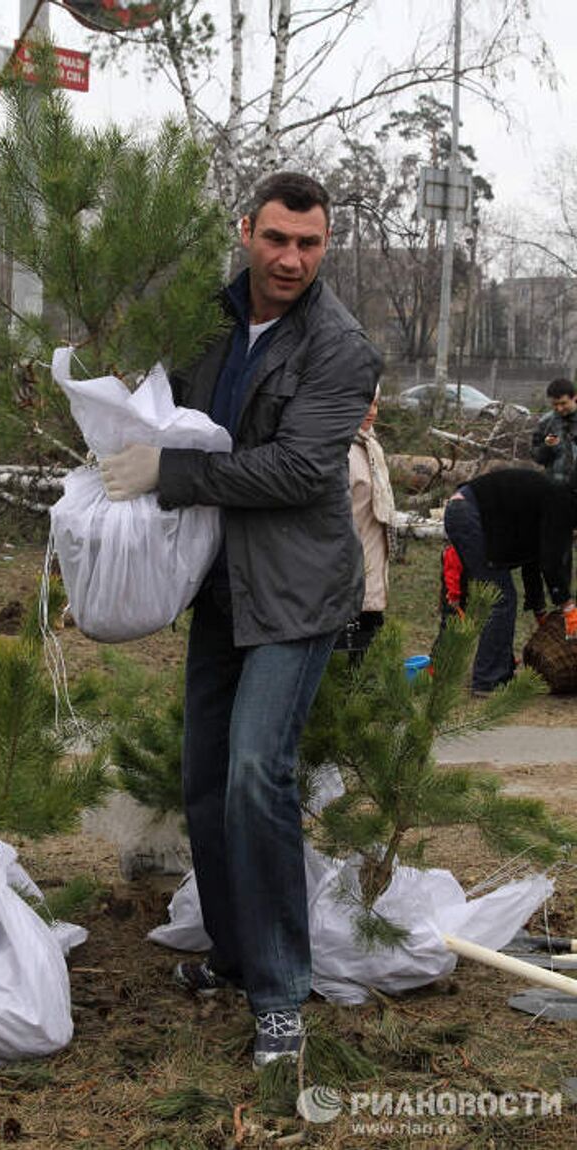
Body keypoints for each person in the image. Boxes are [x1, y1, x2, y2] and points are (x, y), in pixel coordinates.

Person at [99, 171, 382, 1068]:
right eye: (276, 239)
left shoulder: (341, 349)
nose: (292, 258)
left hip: (297, 591)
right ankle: (229, 955)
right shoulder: (210, 322)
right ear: (246, 232)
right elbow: (164, 402)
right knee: (205, 783)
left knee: (259, 774)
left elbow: (300, 471)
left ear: (324, 245)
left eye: (309, 243)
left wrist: (170, 476)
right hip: (222, 583)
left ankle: (280, 997)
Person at [443, 468, 577, 694]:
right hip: (467, 514)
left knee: (502, 597)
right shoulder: (561, 502)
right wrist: (566, 604)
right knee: (500, 599)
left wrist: (540, 610)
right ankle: (487, 680)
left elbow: (533, 562)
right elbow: (551, 560)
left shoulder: (551, 498)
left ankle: (500, 672)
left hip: (467, 512)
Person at [336, 386, 397, 660]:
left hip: (371, 566)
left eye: (376, 404)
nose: (372, 412)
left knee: (367, 650)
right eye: (365, 403)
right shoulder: (340, 450)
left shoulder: (370, 446)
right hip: (343, 569)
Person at [531, 378, 577, 485]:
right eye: (555, 404)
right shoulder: (545, 423)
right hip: (555, 486)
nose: (559, 408)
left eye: (563, 403)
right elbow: (537, 458)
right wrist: (547, 445)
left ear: (574, 397)